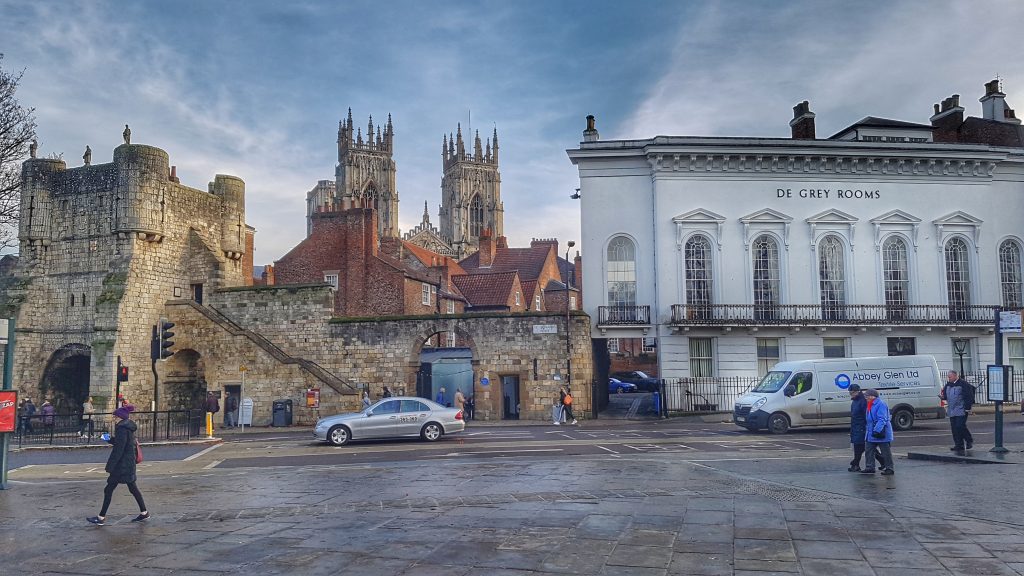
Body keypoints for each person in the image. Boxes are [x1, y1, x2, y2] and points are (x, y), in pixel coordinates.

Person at [87, 405, 149, 525]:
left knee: (108, 489)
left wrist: (111, 465)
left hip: (122, 465)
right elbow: (121, 442)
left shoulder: (121, 428)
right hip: (128, 463)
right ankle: (144, 512)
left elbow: (119, 449)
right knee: (133, 488)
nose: (114, 418)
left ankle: (101, 518)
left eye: (115, 416)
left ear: (120, 417)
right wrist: (108, 438)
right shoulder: (128, 427)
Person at [847, 384, 883, 472]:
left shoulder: (862, 401)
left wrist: (866, 427)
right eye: (850, 393)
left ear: (858, 391)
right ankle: (883, 461)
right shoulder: (855, 401)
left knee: (862, 447)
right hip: (856, 427)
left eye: (852, 392)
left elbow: (866, 415)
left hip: (861, 428)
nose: (851, 394)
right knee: (862, 447)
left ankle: (856, 464)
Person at [862, 389, 895, 476]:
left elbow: (882, 419)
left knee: (885, 452)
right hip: (871, 433)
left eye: (867, 396)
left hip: (881, 433)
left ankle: (889, 468)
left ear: (873, 396)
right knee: (868, 450)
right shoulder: (870, 404)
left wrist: (876, 430)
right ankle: (870, 467)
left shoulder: (880, 404)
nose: (866, 398)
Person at [942, 370, 975, 451]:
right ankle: (958, 445)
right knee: (954, 428)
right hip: (952, 409)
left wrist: (967, 408)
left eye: (950, 377)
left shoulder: (963, 384)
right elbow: (946, 395)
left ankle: (969, 440)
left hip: (961, 409)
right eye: (948, 377)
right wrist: (943, 397)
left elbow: (969, 396)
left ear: (956, 376)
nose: (948, 378)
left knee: (960, 426)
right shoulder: (948, 385)